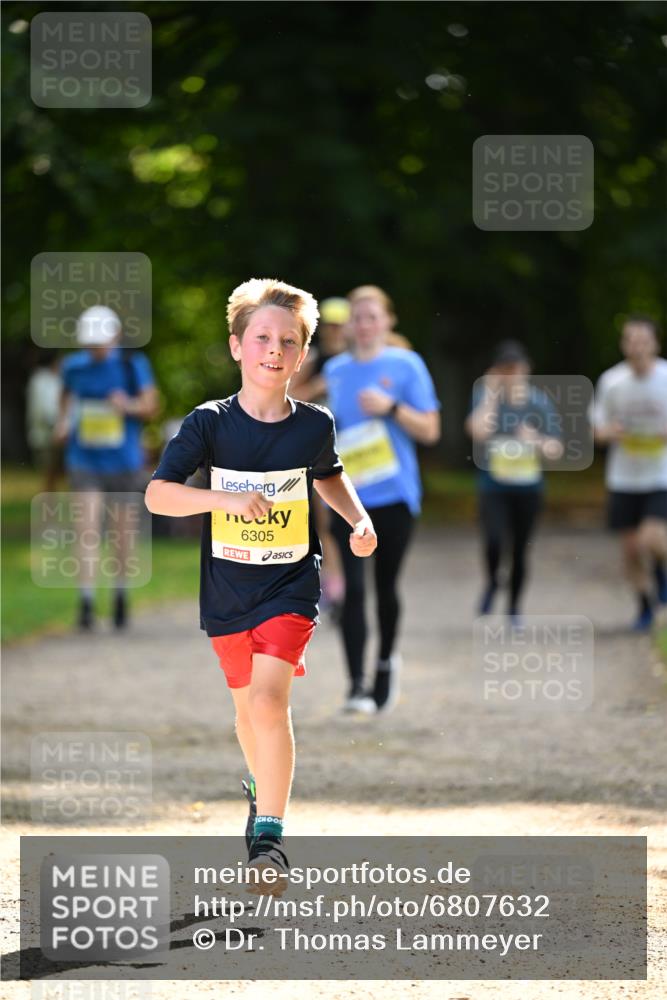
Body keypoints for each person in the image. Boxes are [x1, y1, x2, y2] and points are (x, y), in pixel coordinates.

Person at [145, 278, 377, 883]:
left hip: (290, 585)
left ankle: (268, 840)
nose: (274, 349)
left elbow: (328, 474)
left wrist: (358, 516)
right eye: (262, 338)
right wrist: (224, 499)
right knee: (248, 715)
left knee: (272, 702)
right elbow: (158, 496)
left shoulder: (313, 424)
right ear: (236, 347)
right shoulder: (209, 424)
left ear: (302, 356)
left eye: (289, 341)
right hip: (226, 588)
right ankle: (259, 783)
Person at [323, 284, 440, 714]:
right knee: (351, 589)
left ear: (388, 322)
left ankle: (386, 664)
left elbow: (431, 430)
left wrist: (391, 409)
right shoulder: (335, 371)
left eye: (373, 316)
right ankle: (356, 686)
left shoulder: (406, 365)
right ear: (349, 325)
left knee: (384, 585)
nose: (365, 324)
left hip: (394, 496)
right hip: (347, 497)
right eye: (358, 316)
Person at [54, 305, 158, 630]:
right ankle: (85, 601)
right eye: (89, 343)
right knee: (86, 528)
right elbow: (67, 401)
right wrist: (62, 422)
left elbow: (151, 406)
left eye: (99, 342)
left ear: (114, 337)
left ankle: (120, 594)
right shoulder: (73, 367)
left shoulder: (132, 365)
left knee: (120, 533)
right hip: (83, 459)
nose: (93, 348)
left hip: (123, 462)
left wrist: (126, 405)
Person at [465, 341, 563, 625]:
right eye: (505, 370)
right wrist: (492, 395)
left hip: (528, 488)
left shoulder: (538, 402)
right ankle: (493, 581)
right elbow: (477, 431)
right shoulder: (486, 398)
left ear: (526, 370)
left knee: (520, 549)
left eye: (516, 369)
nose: (511, 375)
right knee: (494, 541)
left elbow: (556, 448)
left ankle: (514, 607)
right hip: (493, 487)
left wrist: (536, 441)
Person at [592, 317, 667, 630]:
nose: (637, 347)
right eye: (631, 341)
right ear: (624, 345)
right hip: (623, 477)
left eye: (643, 340)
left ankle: (662, 577)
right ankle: (645, 606)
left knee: (651, 538)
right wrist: (611, 432)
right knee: (631, 549)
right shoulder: (611, 381)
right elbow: (597, 431)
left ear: (655, 344)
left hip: (660, 475)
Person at [290, 296, 351, 615]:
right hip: (323, 448)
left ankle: (355, 581)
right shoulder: (315, 359)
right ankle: (336, 586)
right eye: (330, 325)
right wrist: (318, 386)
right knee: (326, 518)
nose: (335, 331)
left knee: (359, 516)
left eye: (341, 325)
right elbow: (290, 398)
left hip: (362, 449)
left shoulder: (360, 360)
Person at [26, 351, 63, 492]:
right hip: (46, 436)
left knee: (54, 475)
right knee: (49, 475)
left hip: (53, 433)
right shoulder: (41, 380)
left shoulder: (52, 379)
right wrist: (58, 427)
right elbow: (46, 410)